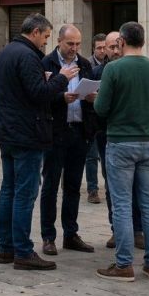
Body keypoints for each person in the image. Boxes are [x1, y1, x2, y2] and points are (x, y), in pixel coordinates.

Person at [0, 13, 74, 272]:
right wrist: (61, 78)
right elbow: (39, 93)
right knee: (24, 193)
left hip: (7, 131)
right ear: (35, 32)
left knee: (9, 189)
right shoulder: (27, 56)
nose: (46, 42)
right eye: (45, 37)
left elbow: (19, 90)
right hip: (26, 133)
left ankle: (6, 248)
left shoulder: (4, 53)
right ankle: (23, 251)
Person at [94, 22, 149, 282]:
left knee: (122, 204)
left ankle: (124, 264)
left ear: (122, 42)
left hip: (121, 142)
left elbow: (101, 108)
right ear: (143, 42)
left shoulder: (113, 69)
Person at [39, 25, 96, 255]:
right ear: (59, 41)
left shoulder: (85, 64)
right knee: (50, 185)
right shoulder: (47, 63)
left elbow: (92, 91)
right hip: (55, 132)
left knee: (73, 186)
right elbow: (39, 96)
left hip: (79, 131)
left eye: (78, 44)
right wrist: (61, 97)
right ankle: (48, 236)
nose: (74, 48)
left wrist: (92, 98)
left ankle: (71, 234)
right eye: (70, 44)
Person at [94, 31, 143, 250]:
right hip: (106, 134)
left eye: (116, 46)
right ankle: (117, 230)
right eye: (109, 47)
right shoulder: (98, 72)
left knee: (137, 186)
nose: (114, 51)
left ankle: (137, 230)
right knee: (111, 186)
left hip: (131, 134)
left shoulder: (135, 69)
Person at [84, 33, 107, 204]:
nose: (102, 51)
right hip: (91, 118)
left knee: (106, 156)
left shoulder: (110, 66)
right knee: (91, 156)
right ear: (93, 49)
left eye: (105, 47)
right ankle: (92, 190)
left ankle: (109, 186)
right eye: (99, 48)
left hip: (104, 120)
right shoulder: (87, 66)